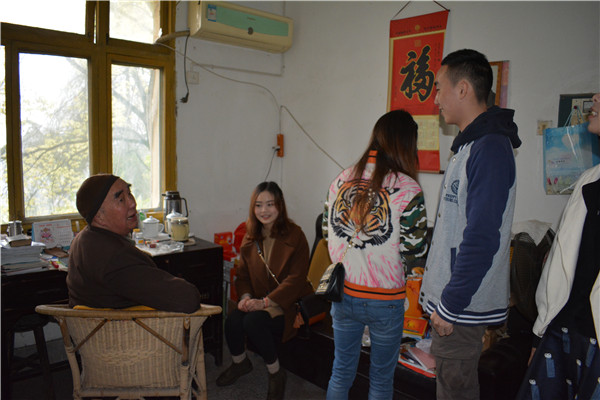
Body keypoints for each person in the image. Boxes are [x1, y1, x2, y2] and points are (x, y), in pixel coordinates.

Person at [418, 49, 521, 400]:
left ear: (462, 89)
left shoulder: (489, 148)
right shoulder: (469, 145)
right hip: (454, 303)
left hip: (461, 309)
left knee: (456, 391)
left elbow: (481, 237)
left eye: (438, 88)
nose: (435, 99)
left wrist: (450, 304)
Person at [324, 109, 429, 399]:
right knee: (381, 381)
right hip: (385, 300)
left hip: (344, 292)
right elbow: (415, 250)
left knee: (341, 370)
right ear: (407, 144)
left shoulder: (340, 179)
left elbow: (326, 231)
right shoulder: (409, 189)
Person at [516, 93, 600, 400]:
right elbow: (560, 269)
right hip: (564, 331)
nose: (595, 97)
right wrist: (540, 334)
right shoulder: (589, 181)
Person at [216, 181, 312, 400]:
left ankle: (276, 373)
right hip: (261, 300)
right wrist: (245, 297)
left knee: (253, 322)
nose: (264, 210)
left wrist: (264, 303)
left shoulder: (295, 235)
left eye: (270, 204)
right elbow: (243, 277)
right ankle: (240, 363)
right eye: (258, 205)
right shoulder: (250, 237)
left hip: (287, 304)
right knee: (232, 319)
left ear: (280, 206)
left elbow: (296, 279)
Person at [67, 174, 201, 312]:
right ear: (99, 217)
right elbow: (188, 299)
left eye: (130, 194)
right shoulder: (115, 257)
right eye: (121, 199)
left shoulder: (83, 239)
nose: (132, 203)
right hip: (125, 325)